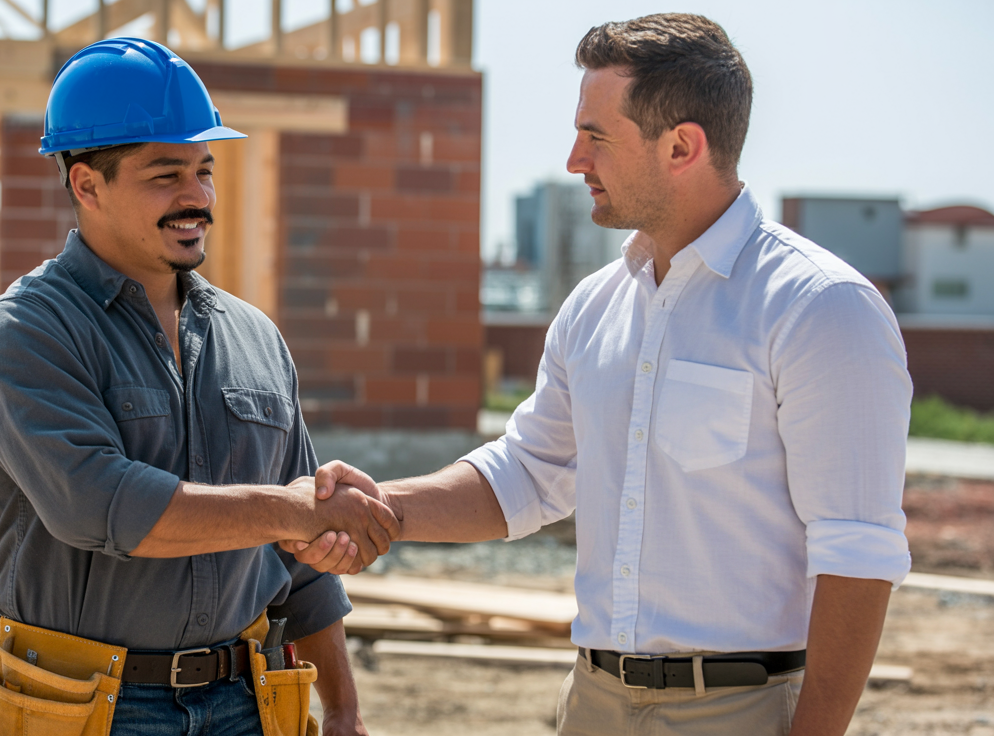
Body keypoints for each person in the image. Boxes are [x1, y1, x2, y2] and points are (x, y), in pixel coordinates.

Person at [292, 13, 912, 736]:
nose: (573, 160)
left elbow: (857, 551)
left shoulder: (820, 308)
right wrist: (380, 510)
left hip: (743, 709)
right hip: (593, 702)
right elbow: (529, 473)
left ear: (681, 146)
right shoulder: (595, 306)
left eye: (596, 137)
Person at [0, 38, 395, 736]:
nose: (196, 196)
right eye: (166, 175)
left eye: (204, 170)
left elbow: (304, 563)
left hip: (248, 700)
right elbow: (101, 504)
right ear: (87, 185)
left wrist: (344, 709)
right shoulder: (28, 332)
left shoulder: (253, 338)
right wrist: (290, 512)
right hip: (87, 707)